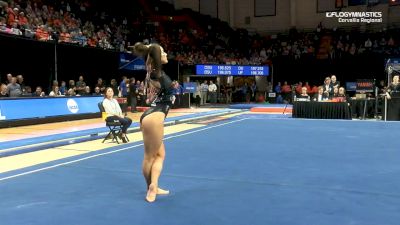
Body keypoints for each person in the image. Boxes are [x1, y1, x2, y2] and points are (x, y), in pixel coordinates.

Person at [132, 42, 175, 203]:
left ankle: (154, 185)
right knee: (149, 157)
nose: (165, 54)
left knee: (160, 155)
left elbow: (150, 51)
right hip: (155, 116)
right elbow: (155, 51)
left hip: (152, 115)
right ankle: (150, 187)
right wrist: (153, 48)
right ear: (157, 56)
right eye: (163, 52)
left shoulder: (152, 71)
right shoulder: (157, 73)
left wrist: (149, 48)